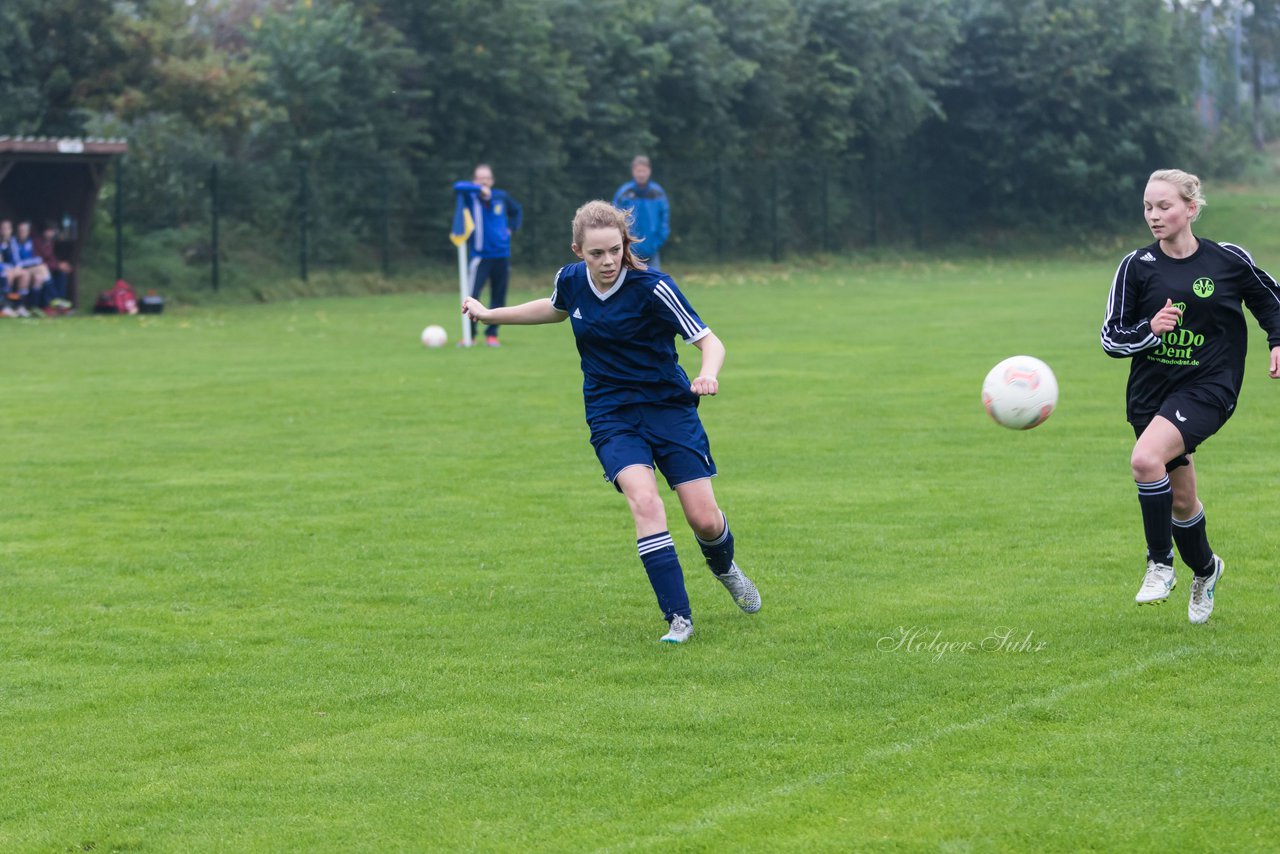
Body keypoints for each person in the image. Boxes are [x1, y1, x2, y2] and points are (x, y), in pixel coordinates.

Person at [462, 200, 761, 643]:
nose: (607, 262)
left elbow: (709, 341)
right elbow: (555, 307)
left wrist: (707, 374)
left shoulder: (654, 287)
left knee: (703, 520)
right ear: (578, 250)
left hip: (668, 409)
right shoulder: (571, 281)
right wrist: (491, 314)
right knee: (645, 502)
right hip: (610, 414)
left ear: (625, 245)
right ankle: (679, 618)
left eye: (614, 251)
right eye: (596, 253)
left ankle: (725, 568)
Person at [1100, 168, 1280, 624]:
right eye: (1147, 207)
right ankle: (1206, 569)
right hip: (1151, 395)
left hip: (1209, 388)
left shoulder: (1226, 260)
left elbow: (1271, 303)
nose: (1154, 216)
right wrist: (1149, 330)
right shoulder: (1136, 267)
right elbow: (1112, 338)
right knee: (1181, 501)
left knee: (1144, 461)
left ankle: (1159, 564)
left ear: (1191, 209)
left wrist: (1277, 342)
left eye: (1164, 206)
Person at [453, 164, 522, 347]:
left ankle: (492, 334)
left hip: (502, 254)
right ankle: (470, 336)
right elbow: (457, 186)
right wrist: (479, 190)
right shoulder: (470, 197)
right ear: (474, 180)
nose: (484, 181)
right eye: (480, 178)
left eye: (487, 178)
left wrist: (511, 229)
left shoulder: (501, 196)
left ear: (492, 181)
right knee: (471, 296)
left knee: (498, 296)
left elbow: (517, 211)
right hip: (480, 256)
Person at [612, 156, 669, 270]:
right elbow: (614, 219)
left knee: (654, 284)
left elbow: (664, 222)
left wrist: (655, 244)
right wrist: (623, 242)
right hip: (629, 250)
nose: (641, 174)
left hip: (652, 250)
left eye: (644, 171)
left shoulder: (658, 193)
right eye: (639, 171)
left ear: (649, 171)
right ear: (633, 172)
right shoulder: (624, 193)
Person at [31, 222, 73, 312]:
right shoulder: (37, 242)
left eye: (52, 231)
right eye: (49, 231)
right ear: (44, 232)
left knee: (62, 275)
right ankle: (54, 301)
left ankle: (60, 303)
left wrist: (60, 265)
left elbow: (52, 258)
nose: (51, 233)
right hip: (38, 268)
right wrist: (57, 265)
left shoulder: (53, 243)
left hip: (50, 268)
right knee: (43, 275)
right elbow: (38, 259)